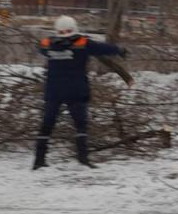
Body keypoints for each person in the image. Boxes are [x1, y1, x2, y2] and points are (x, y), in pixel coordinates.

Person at [34, 15, 128, 170]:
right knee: (81, 125)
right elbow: (102, 47)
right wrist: (119, 50)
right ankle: (83, 159)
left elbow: (40, 47)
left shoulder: (48, 44)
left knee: (47, 125)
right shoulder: (83, 43)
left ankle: (39, 160)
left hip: (54, 91)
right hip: (76, 91)